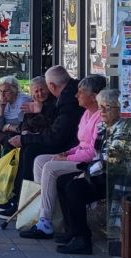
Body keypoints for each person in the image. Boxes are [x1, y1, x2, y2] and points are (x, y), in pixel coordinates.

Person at [56, 89, 131, 255]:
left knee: (74, 188)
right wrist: (83, 168)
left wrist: (86, 173)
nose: (103, 111)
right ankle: (73, 231)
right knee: (63, 181)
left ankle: (82, 239)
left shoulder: (127, 130)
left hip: (124, 179)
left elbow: (110, 160)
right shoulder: (105, 127)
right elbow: (97, 155)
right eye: (101, 107)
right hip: (108, 175)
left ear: (120, 109)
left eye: (108, 107)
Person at [19, 74, 105, 240]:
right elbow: (82, 143)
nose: (76, 95)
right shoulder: (86, 114)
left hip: (89, 162)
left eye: (81, 92)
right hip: (78, 155)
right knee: (39, 161)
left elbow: (92, 152)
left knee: (50, 167)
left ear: (94, 96)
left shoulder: (100, 117)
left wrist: (66, 159)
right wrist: (67, 153)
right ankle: (47, 215)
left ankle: (45, 222)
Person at [0, 66, 86, 220]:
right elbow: (20, 124)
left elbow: (56, 134)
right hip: (64, 143)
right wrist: (24, 133)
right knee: (23, 148)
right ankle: (21, 200)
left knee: (31, 152)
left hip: (71, 148)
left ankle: (28, 206)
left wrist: (27, 135)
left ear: (51, 87)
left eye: (42, 89)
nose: (40, 93)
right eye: (35, 91)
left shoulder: (65, 100)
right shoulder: (63, 98)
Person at [0, 75, 32, 163]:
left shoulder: (23, 101)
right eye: (0, 91)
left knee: (8, 140)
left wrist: (8, 126)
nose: (2, 95)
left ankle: (7, 168)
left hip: (23, 133)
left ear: (14, 90)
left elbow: (22, 126)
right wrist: (1, 109)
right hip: (10, 132)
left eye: (6, 91)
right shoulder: (4, 102)